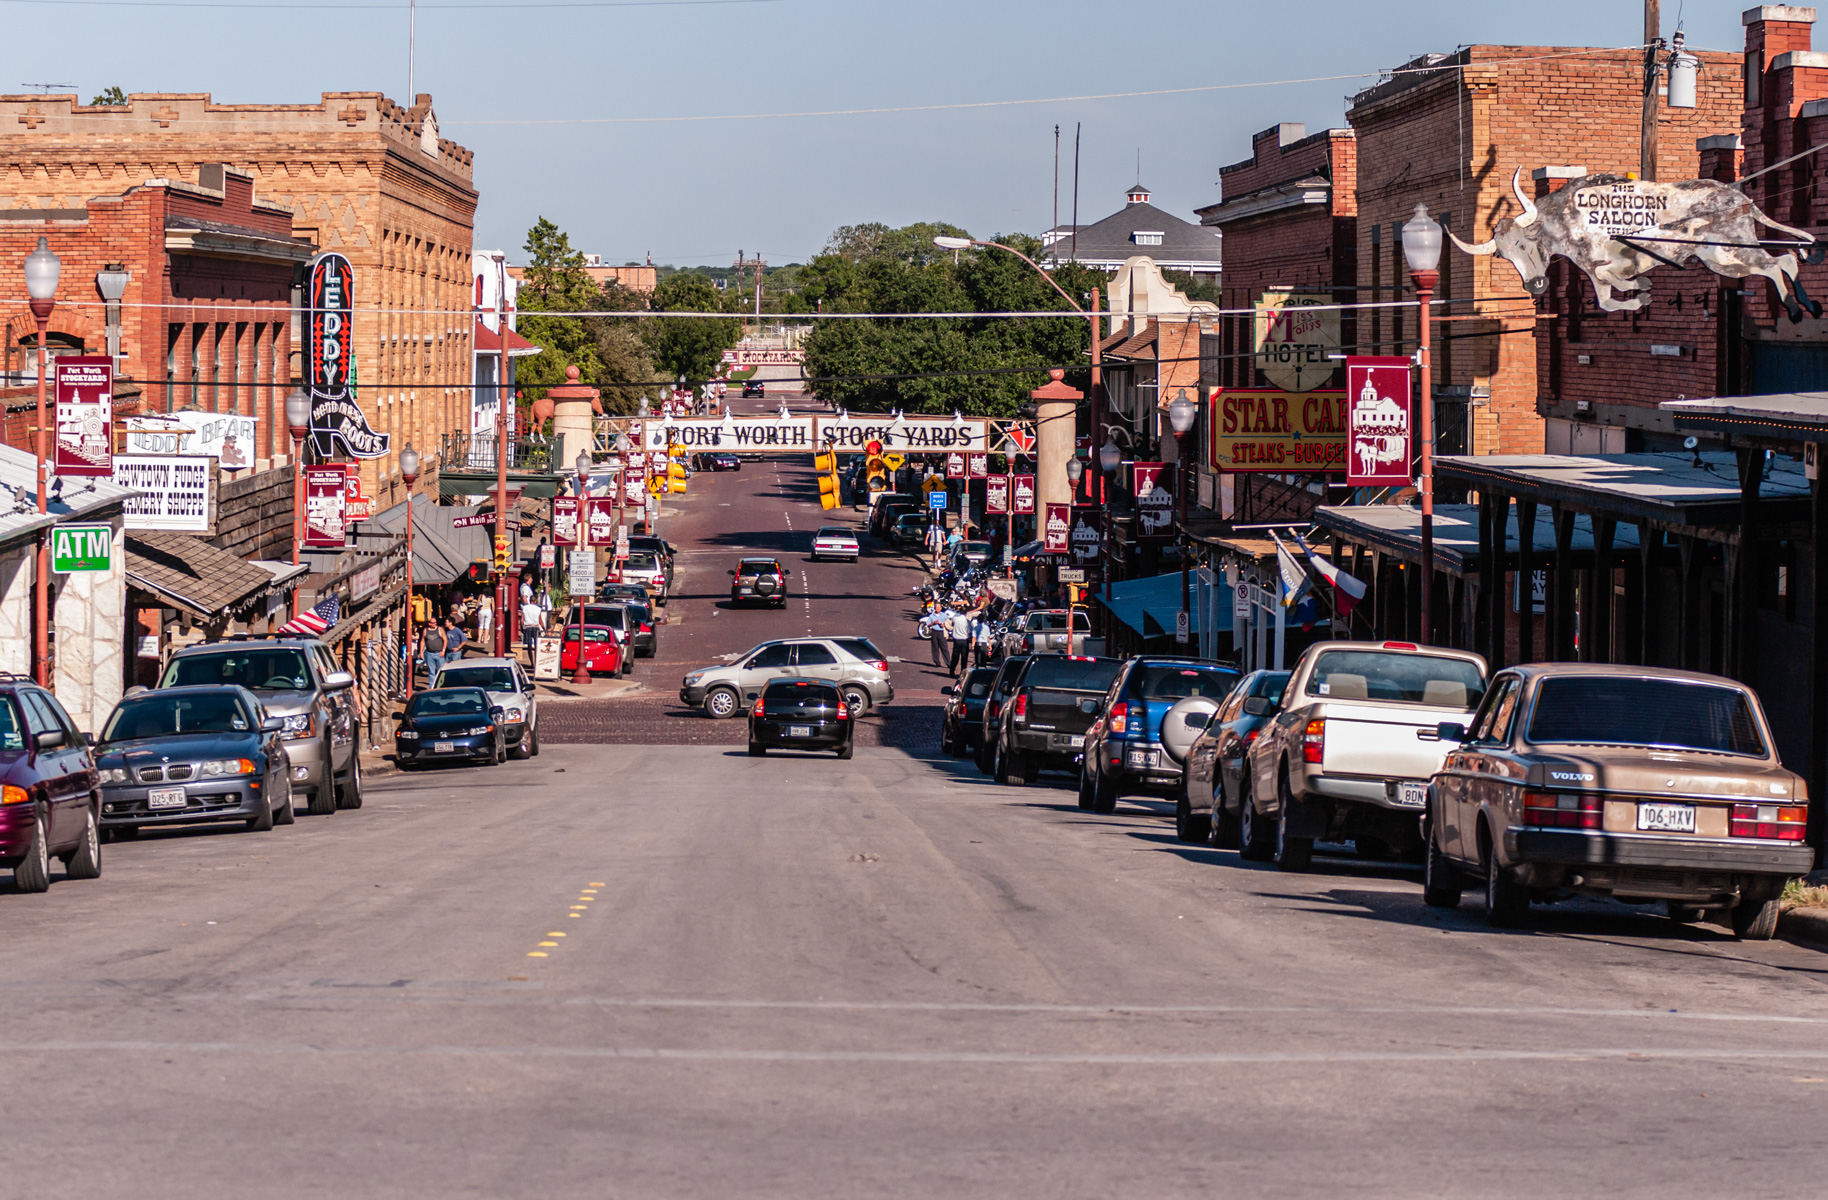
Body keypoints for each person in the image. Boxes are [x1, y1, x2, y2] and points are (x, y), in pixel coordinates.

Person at [946, 605, 972, 676]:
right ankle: (962, 672)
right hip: (964, 641)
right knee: (964, 658)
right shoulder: (967, 621)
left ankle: (952, 670)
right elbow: (970, 631)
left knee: (955, 657)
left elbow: (952, 623)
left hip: (956, 640)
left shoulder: (955, 619)